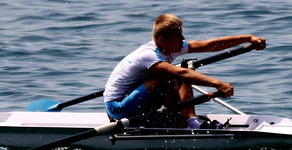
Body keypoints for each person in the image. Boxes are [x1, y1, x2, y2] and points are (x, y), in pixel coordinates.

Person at [104, 14, 266, 128]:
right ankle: (181, 128)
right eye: (178, 35)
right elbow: (181, 74)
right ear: (163, 39)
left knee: (178, 72)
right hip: (117, 108)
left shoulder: (171, 47)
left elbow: (209, 45)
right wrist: (218, 84)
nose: (183, 39)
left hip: (138, 99)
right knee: (172, 76)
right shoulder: (148, 54)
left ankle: (190, 121)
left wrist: (248, 38)